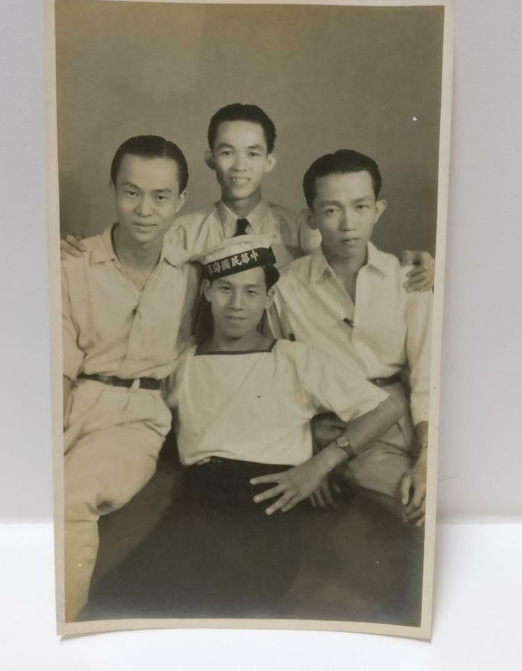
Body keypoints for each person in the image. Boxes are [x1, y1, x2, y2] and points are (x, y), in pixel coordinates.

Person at [83, 235, 403, 619]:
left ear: (269, 297)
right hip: (196, 506)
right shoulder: (182, 364)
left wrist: (318, 468)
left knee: (216, 602)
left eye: (251, 292)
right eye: (225, 290)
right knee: (114, 603)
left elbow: (385, 407)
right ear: (206, 291)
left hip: (264, 513)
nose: (237, 305)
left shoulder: (294, 359)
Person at [60, 103, 435, 289]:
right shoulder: (181, 231)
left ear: (270, 160)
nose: (240, 166)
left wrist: (423, 270)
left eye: (253, 153)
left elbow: (351, 257)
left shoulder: (303, 229)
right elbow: (131, 260)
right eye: (227, 152)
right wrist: (73, 250)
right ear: (210, 158)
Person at [62, 135, 198, 621]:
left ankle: (60, 631)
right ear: (113, 190)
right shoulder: (71, 262)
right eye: (131, 192)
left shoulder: (194, 274)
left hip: (138, 417)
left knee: (70, 498)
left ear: (181, 202)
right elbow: (56, 363)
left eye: (161, 197)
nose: (144, 210)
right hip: (70, 402)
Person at [268, 149, 433, 526]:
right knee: (424, 508)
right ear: (310, 217)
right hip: (349, 431)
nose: (348, 224)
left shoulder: (408, 278)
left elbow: (427, 379)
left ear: (378, 209)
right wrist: (305, 454)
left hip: (412, 414)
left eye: (360, 207)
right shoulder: (287, 289)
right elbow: (279, 380)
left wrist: (427, 458)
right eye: (331, 210)